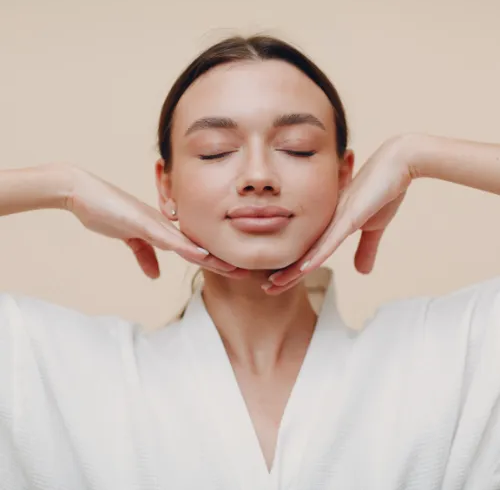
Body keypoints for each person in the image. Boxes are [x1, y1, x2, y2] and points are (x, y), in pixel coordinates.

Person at [1, 35, 499, 490]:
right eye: (217, 152)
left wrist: (417, 155)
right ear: (165, 185)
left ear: (347, 177)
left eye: (296, 149)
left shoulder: (443, 355)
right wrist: (61, 186)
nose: (258, 176)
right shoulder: (68, 370)